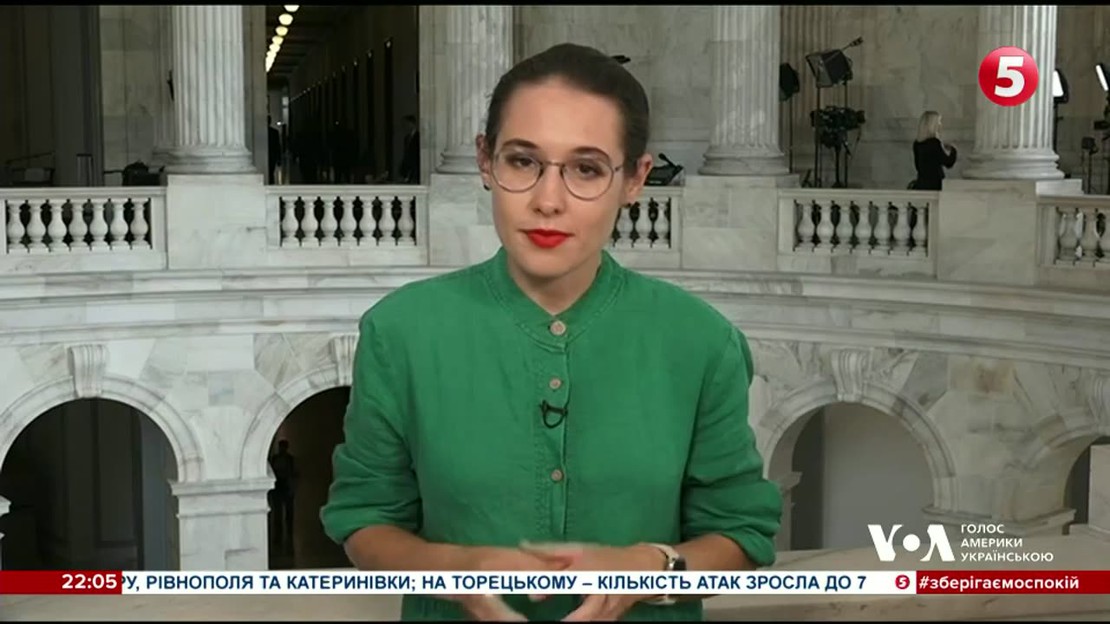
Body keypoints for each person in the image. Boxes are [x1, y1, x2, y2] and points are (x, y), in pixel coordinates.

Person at [320, 42, 782, 622]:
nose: (548, 201)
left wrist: (648, 566)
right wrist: (454, 568)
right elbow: (365, 520)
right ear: (485, 161)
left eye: (586, 169)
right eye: (522, 161)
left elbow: (741, 532)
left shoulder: (701, 341)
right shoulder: (400, 332)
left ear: (635, 179)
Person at [911, 110, 957, 190]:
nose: (940, 124)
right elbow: (948, 163)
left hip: (921, 183)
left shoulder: (917, 144)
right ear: (933, 125)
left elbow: (917, 166)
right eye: (939, 121)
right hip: (934, 184)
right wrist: (953, 150)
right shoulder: (934, 143)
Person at [269, 439, 297, 551]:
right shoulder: (276, 459)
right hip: (279, 488)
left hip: (285, 488)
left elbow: (293, 473)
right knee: (278, 514)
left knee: (288, 514)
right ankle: (278, 536)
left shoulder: (289, 459)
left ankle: (287, 535)